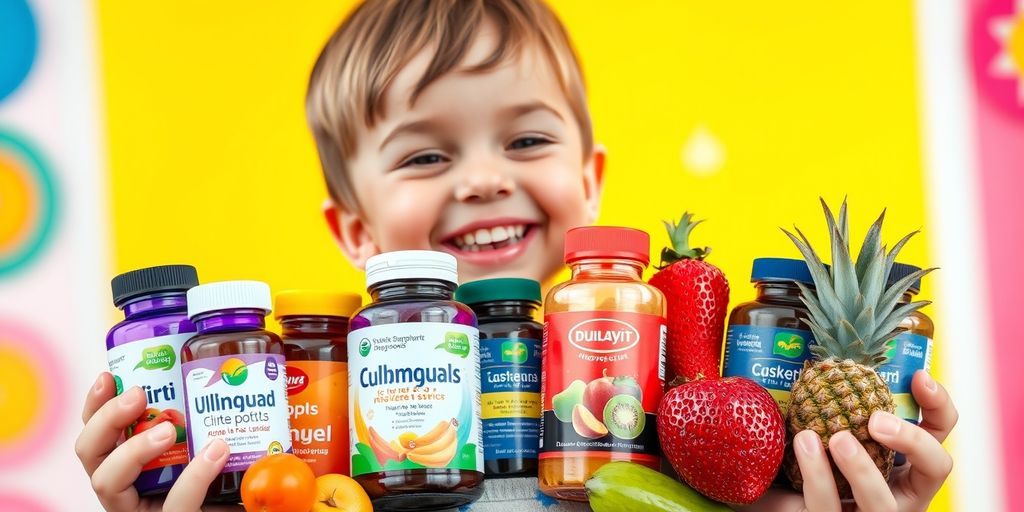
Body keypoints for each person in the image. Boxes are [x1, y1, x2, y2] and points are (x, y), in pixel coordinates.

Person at [76, 1, 956, 510]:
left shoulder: (691, 404)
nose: (486, 178)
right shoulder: (311, 421)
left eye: (526, 139)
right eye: (426, 155)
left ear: (591, 179)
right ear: (356, 234)